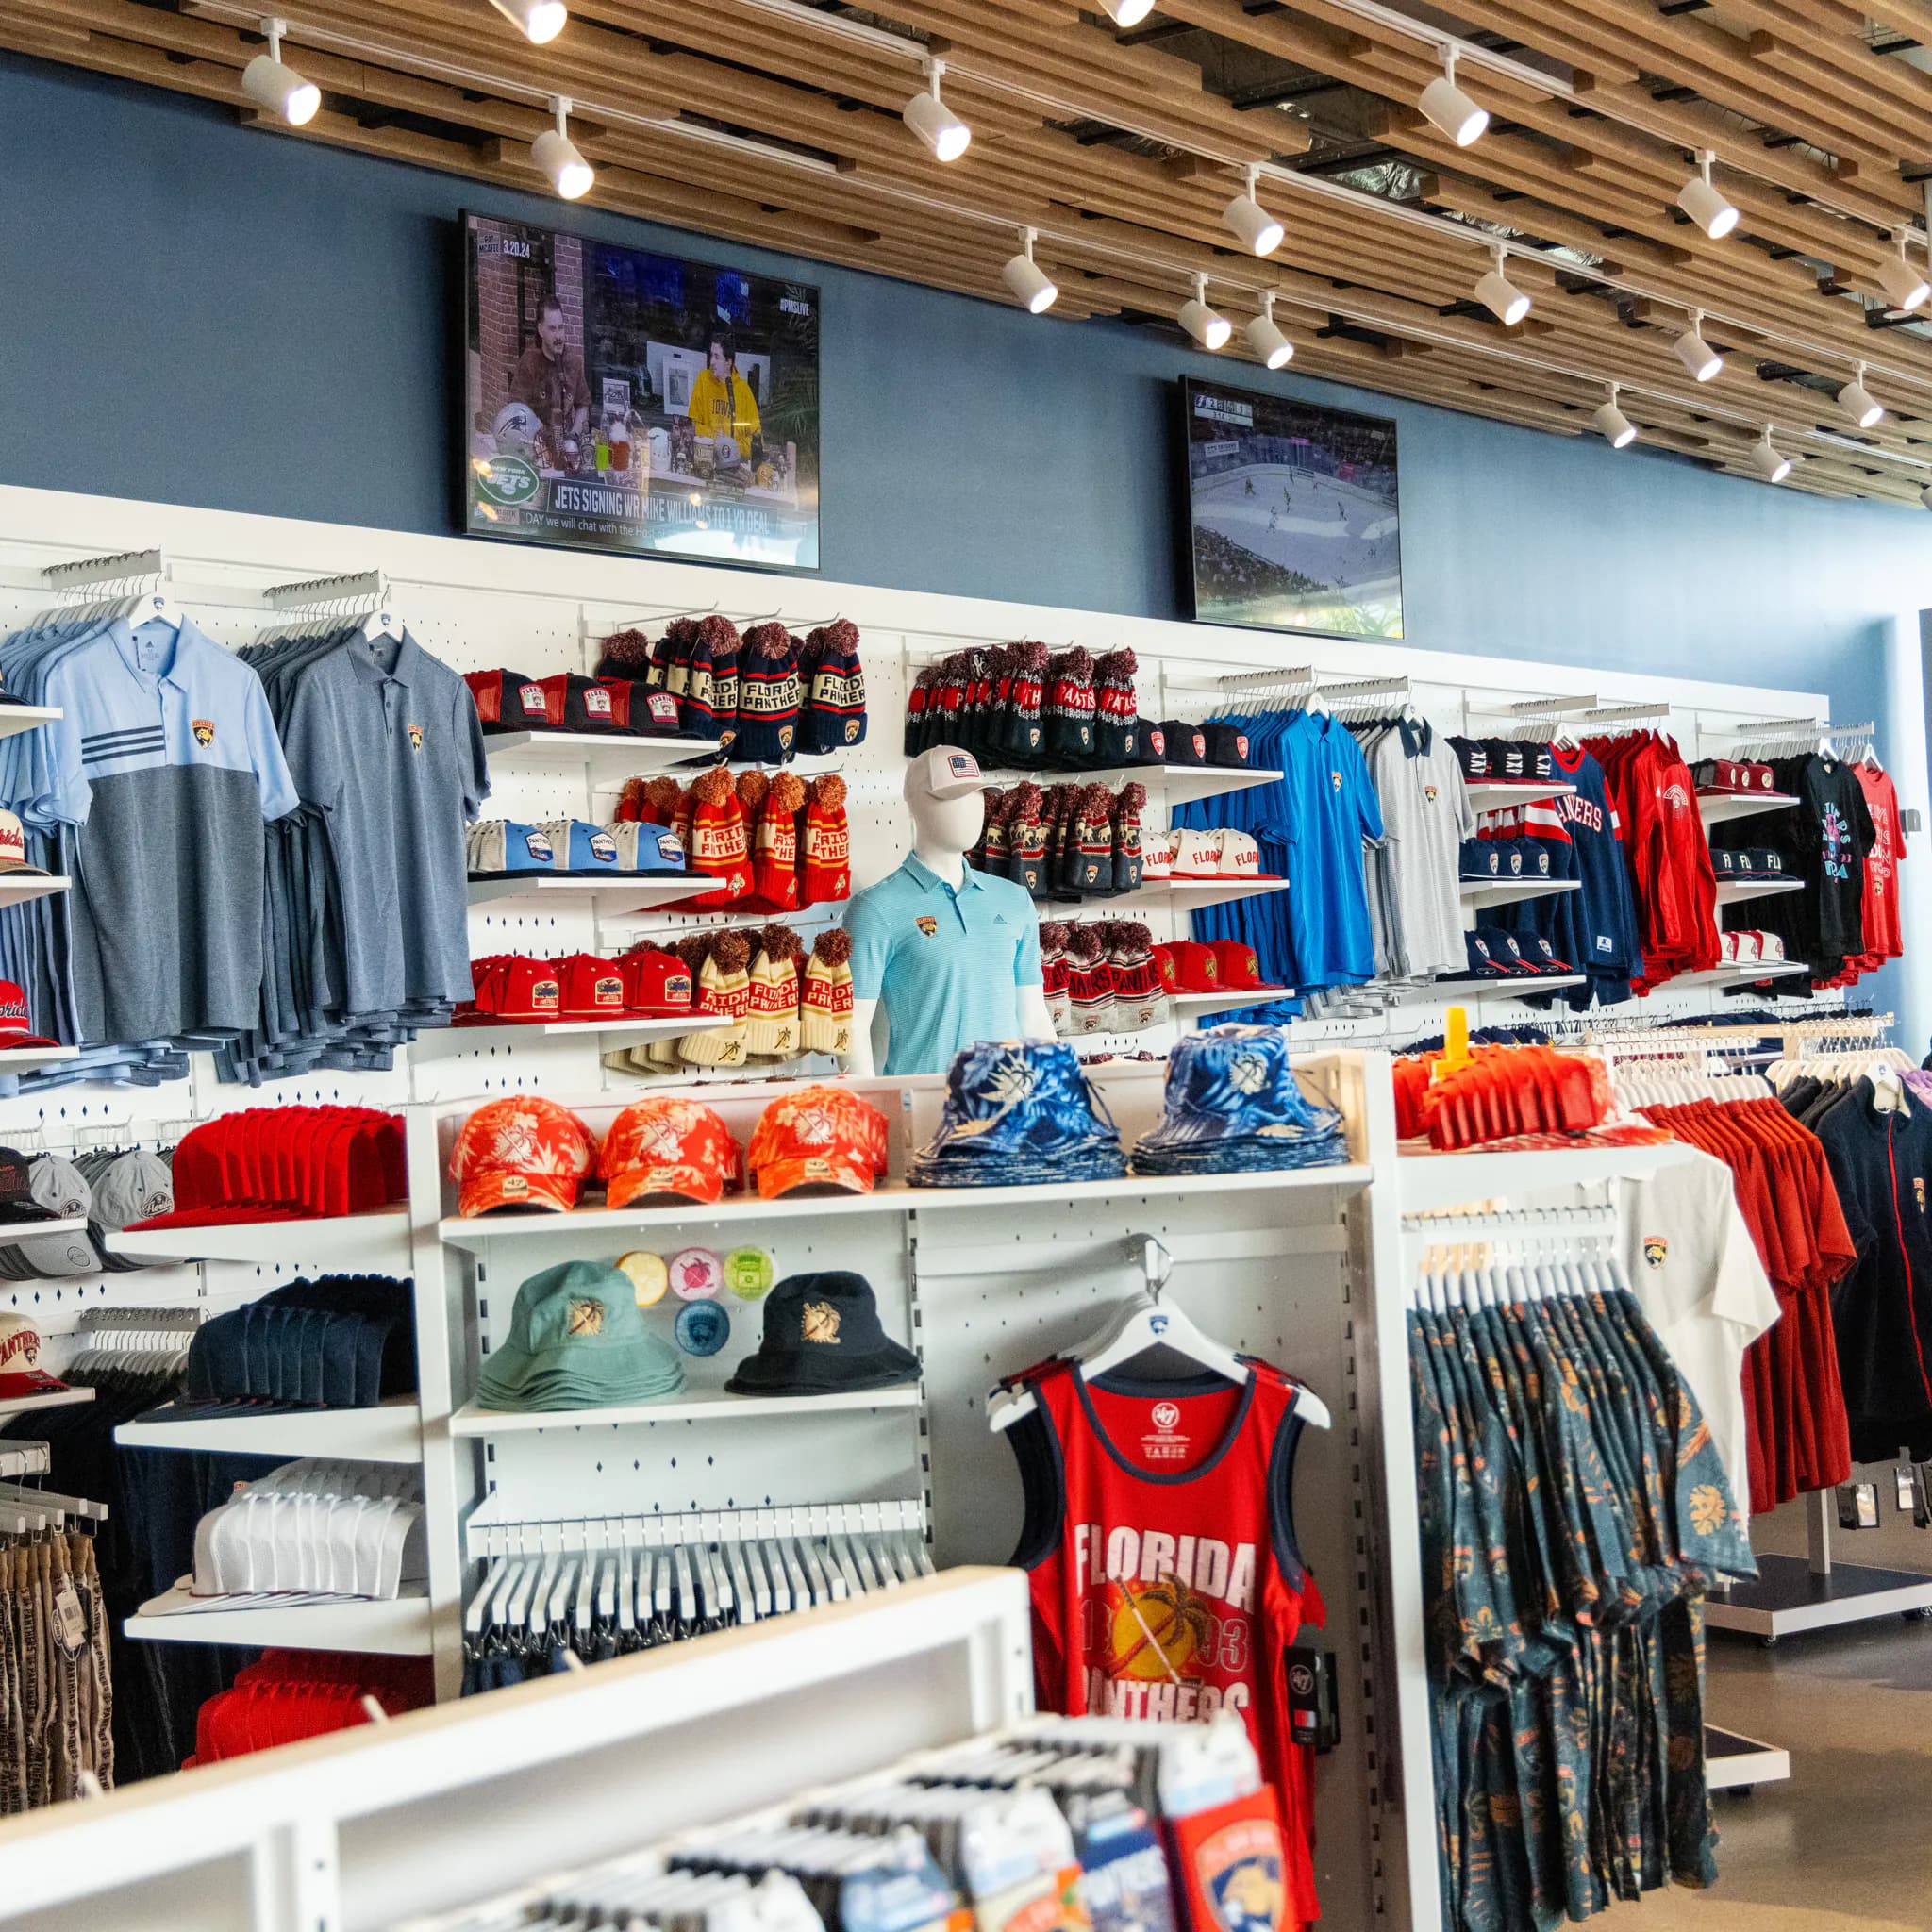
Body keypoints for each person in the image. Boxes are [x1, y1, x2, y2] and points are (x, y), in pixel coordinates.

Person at [508, 294, 591, 454]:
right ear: (541, 330)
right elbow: (516, 410)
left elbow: (583, 404)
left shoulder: (573, 362)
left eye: (561, 328)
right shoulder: (529, 363)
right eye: (552, 329)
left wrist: (574, 435)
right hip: (536, 447)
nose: (558, 336)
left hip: (566, 445)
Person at [687, 331, 762, 463]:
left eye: (717, 357)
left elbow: (757, 439)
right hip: (706, 457)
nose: (712, 362)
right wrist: (717, 440)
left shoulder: (743, 390)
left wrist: (730, 447)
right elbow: (693, 426)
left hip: (735, 462)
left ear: (728, 363)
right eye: (711, 355)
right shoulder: (703, 379)